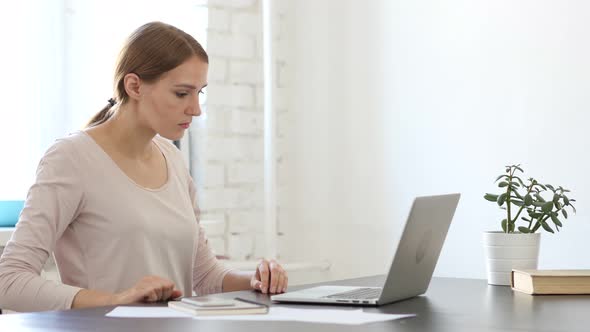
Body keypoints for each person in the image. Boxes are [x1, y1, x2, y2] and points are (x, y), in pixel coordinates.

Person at [0, 21, 288, 312]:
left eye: (199, 93)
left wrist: (256, 281)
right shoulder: (71, 159)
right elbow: (9, 281)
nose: (196, 109)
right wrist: (117, 301)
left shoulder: (172, 159)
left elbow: (204, 276)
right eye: (181, 93)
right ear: (134, 86)